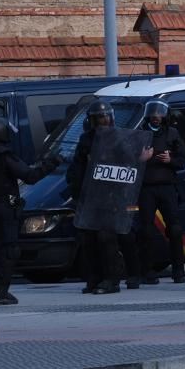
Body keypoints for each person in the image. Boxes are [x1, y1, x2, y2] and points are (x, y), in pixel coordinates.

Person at [67, 100, 152, 294]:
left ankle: (112, 280)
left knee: (108, 238)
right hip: (90, 198)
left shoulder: (119, 139)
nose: (102, 121)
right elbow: (79, 167)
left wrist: (139, 162)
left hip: (113, 196)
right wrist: (76, 193)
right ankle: (94, 278)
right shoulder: (85, 140)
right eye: (98, 118)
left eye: (104, 117)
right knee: (88, 239)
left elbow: (128, 165)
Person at [0, 117, 61, 305]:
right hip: (5, 209)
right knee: (8, 250)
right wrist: (52, 163)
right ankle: (0, 291)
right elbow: (29, 176)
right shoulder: (4, 156)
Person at [136, 99, 185, 286]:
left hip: (167, 186)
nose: (156, 117)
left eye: (159, 114)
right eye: (153, 114)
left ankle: (178, 271)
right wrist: (142, 159)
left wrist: (170, 159)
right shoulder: (140, 134)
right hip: (147, 188)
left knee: (174, 229)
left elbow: (183, 159)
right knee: (146, 230)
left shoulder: (172, 134)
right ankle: (147, 272)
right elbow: (128, 159)